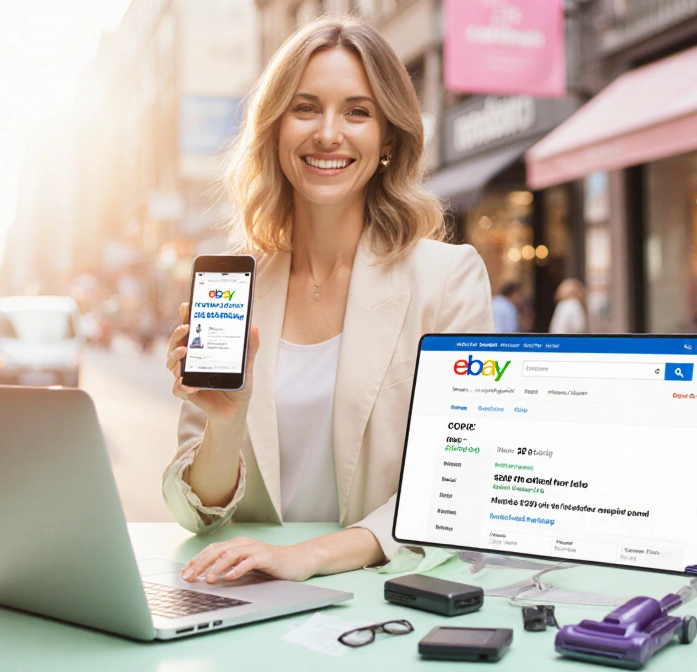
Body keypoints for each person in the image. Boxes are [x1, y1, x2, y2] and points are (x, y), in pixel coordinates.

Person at [162, 17, 492, 585]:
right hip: (252, 601)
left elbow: (460, 480)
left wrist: (308, 556)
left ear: (388, 139)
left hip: (387, 603)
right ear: (276, 129)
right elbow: (199, 511)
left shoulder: (448, 280)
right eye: (305, 107)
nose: (328, 133)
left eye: (357, 112)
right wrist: (226, 420)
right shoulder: (238, 291)